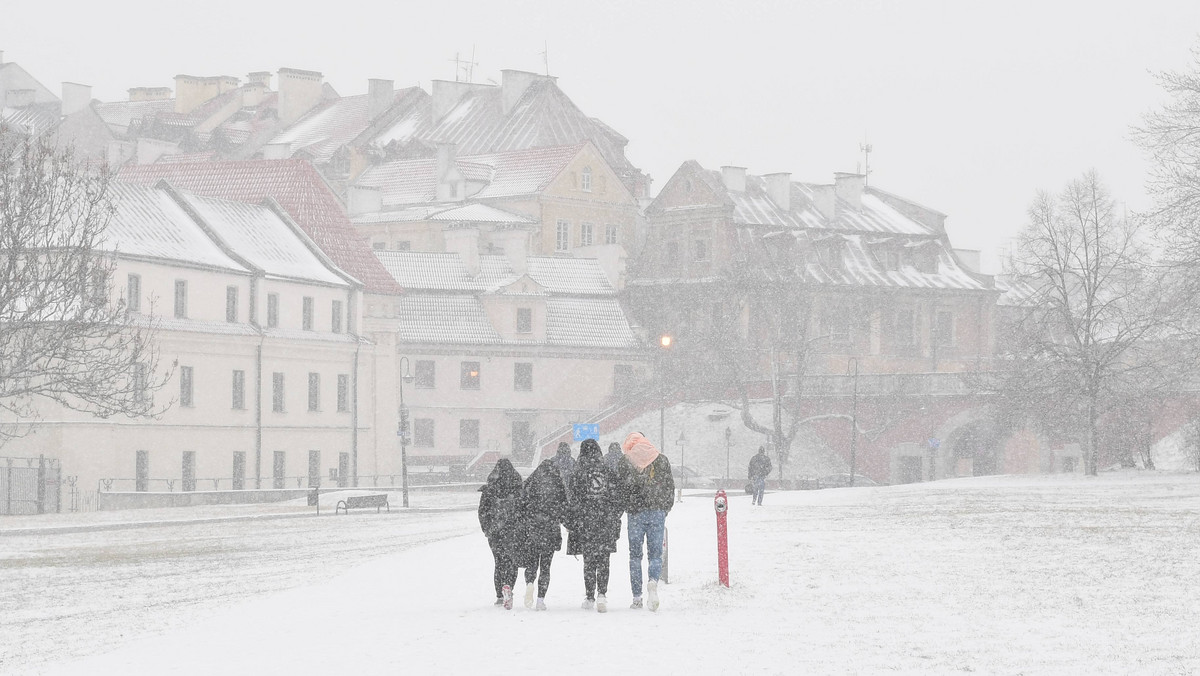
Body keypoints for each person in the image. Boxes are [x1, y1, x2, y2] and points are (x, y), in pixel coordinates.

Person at [617, 431, 674, 611]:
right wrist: (665, 508)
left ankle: (636, 597)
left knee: (635, 556)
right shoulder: (661, 459)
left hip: (635, 513)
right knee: (655, 554)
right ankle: (652, 582)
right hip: (656, 511)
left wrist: (627, 505)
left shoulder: (625, 461)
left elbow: (620, 488)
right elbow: (669, 486)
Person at [566, 438, 623, 613]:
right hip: (605, 522)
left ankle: (590, 596)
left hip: (586, 523)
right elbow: (618, 497)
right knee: (604, 559)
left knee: (589, 560)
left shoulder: (578, 473)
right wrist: (614, 516)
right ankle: (602, 595)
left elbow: (572, 500)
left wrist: (573, 521)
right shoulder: (608, 471)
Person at [518, 457, 567, 610]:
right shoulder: (557, 483)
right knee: (546, 566)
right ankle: (540, 600)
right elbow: (564, 505)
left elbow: (521, 503)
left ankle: (530, 583)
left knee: (532, 562)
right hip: (550, 529)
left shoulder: (532, 481)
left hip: (533, 528)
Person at [478, 459, 525, 609]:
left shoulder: (490, 489)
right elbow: (524, 510)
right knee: (512, 562)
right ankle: (508, 587)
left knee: (499, 562)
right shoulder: (517, 488)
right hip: (513, 530)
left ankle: (499, 595)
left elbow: (482, 512)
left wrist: (487, 528)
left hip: (495, 532)